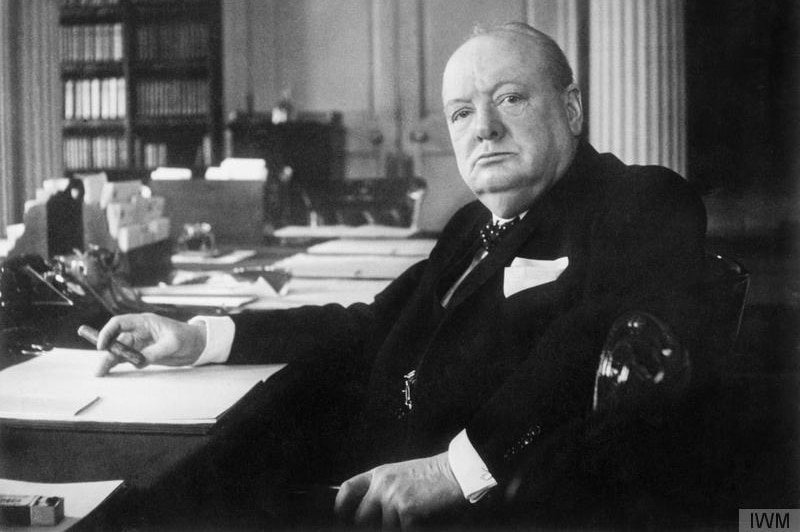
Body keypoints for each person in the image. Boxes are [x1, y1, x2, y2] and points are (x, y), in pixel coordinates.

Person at [93, 22, 706, 529]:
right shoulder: (471, 224)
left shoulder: (641, 198)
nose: (484, 127)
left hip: (487, 509)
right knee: (166, 489)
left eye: (511, 98)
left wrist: (450, 471)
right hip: (372, 476)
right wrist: (202, 337)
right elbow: (369, 325)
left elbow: (583, 350)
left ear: (571, 108)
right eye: (462, 112)